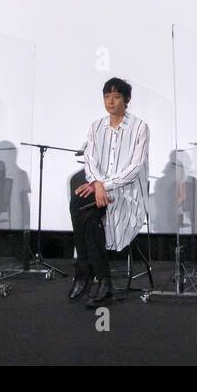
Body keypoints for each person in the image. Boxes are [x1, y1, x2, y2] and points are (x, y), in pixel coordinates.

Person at [68, 77, 150, 308]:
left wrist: (103, 184)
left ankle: (86, 272)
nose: (110, 102)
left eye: (115, 97)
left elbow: (135, 168)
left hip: (127, 192)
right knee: (80, 203)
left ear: (127, 100)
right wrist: (96, 184)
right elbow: (90, 160)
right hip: (100, 189)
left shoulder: (140, 127)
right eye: (106, 97)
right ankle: (103, 281)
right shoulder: (96, 126)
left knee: (87, 213)